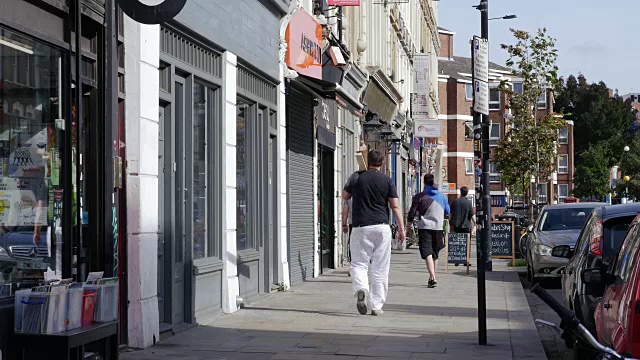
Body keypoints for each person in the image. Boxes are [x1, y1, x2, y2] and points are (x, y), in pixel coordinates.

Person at [342, 150, 405, 316]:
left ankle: (361, 288)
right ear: (382, 163)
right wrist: (401, 228)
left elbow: (344, 196)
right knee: (380, 268)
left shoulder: (356, 177)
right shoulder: (387, 180)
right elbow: (395, 205)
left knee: (359, 263)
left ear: (366, 161)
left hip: (360, 227)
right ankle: (376, 306)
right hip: (382, 227)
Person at [407, 173, 450, 288]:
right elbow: (447, 211)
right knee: (435, 253)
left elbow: (412, 213)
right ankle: (432, 277)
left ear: (424, 182)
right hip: (438, 227)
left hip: (424, 227)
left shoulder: (420, 196)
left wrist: (408, 227)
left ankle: (433, 277)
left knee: (427, 252)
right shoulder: (443, 197)